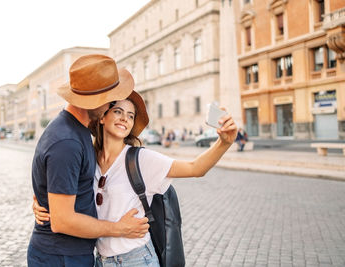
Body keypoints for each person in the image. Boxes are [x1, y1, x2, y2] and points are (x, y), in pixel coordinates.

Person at [34, 91, 238, 266]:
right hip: (100, 260)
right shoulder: (88, 157)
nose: (124, 118)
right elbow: (62, 184)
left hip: (137, 259)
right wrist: (40, 203)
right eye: (118, 111)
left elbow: (195, 168)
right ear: (103, 117)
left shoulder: (142, 159)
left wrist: (223, 143)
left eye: (130, 116)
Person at [27, 54, 150, 267]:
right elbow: (62, 221)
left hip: (70, 255)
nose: (111, 105)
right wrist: (119, 228)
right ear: (96, 100)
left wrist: (42, 200)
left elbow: (59, 182)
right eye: (111, 100)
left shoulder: (77, 130)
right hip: (61, 258)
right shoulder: (67, 142)